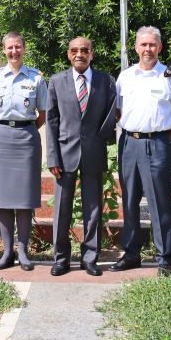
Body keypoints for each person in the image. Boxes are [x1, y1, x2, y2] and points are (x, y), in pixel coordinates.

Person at [112, 26, 171, 276]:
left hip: (156, 144)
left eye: (152, 45)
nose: (148, 49)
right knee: (129, 200)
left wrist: (162, 136)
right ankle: (132, 253)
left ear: (160, 48)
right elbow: (117, 110)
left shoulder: (169, 76)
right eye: (143, 45)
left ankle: (164, 258)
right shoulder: (125, 76)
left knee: (159, 202)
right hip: (129, 143)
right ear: (136, 47)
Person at [45, 36, 118, 277]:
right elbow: (51, 121)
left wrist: (101, 139)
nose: (80, 54)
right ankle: (61, 259)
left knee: (93, 208)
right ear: (68, 54)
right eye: (75, 50)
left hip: (93, 152)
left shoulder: (105, 81)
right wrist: (53, 157)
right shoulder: (56, 81)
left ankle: (90, 258)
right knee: (62, 209)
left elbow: (111, 114)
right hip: (65, 155)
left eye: (84, 50)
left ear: (92, 54)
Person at [0, 32, 47, 271]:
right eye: (9, 48)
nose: (14, 52)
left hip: (26, 139)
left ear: (24, 49)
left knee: (24, 199)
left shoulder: (36, 78)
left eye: (18, 47)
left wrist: (23, 127)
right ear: (4, 50)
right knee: (3, 199)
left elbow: (42, 114)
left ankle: (23, 250)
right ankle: (7, 251)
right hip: (0, 139)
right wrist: (6, 126)